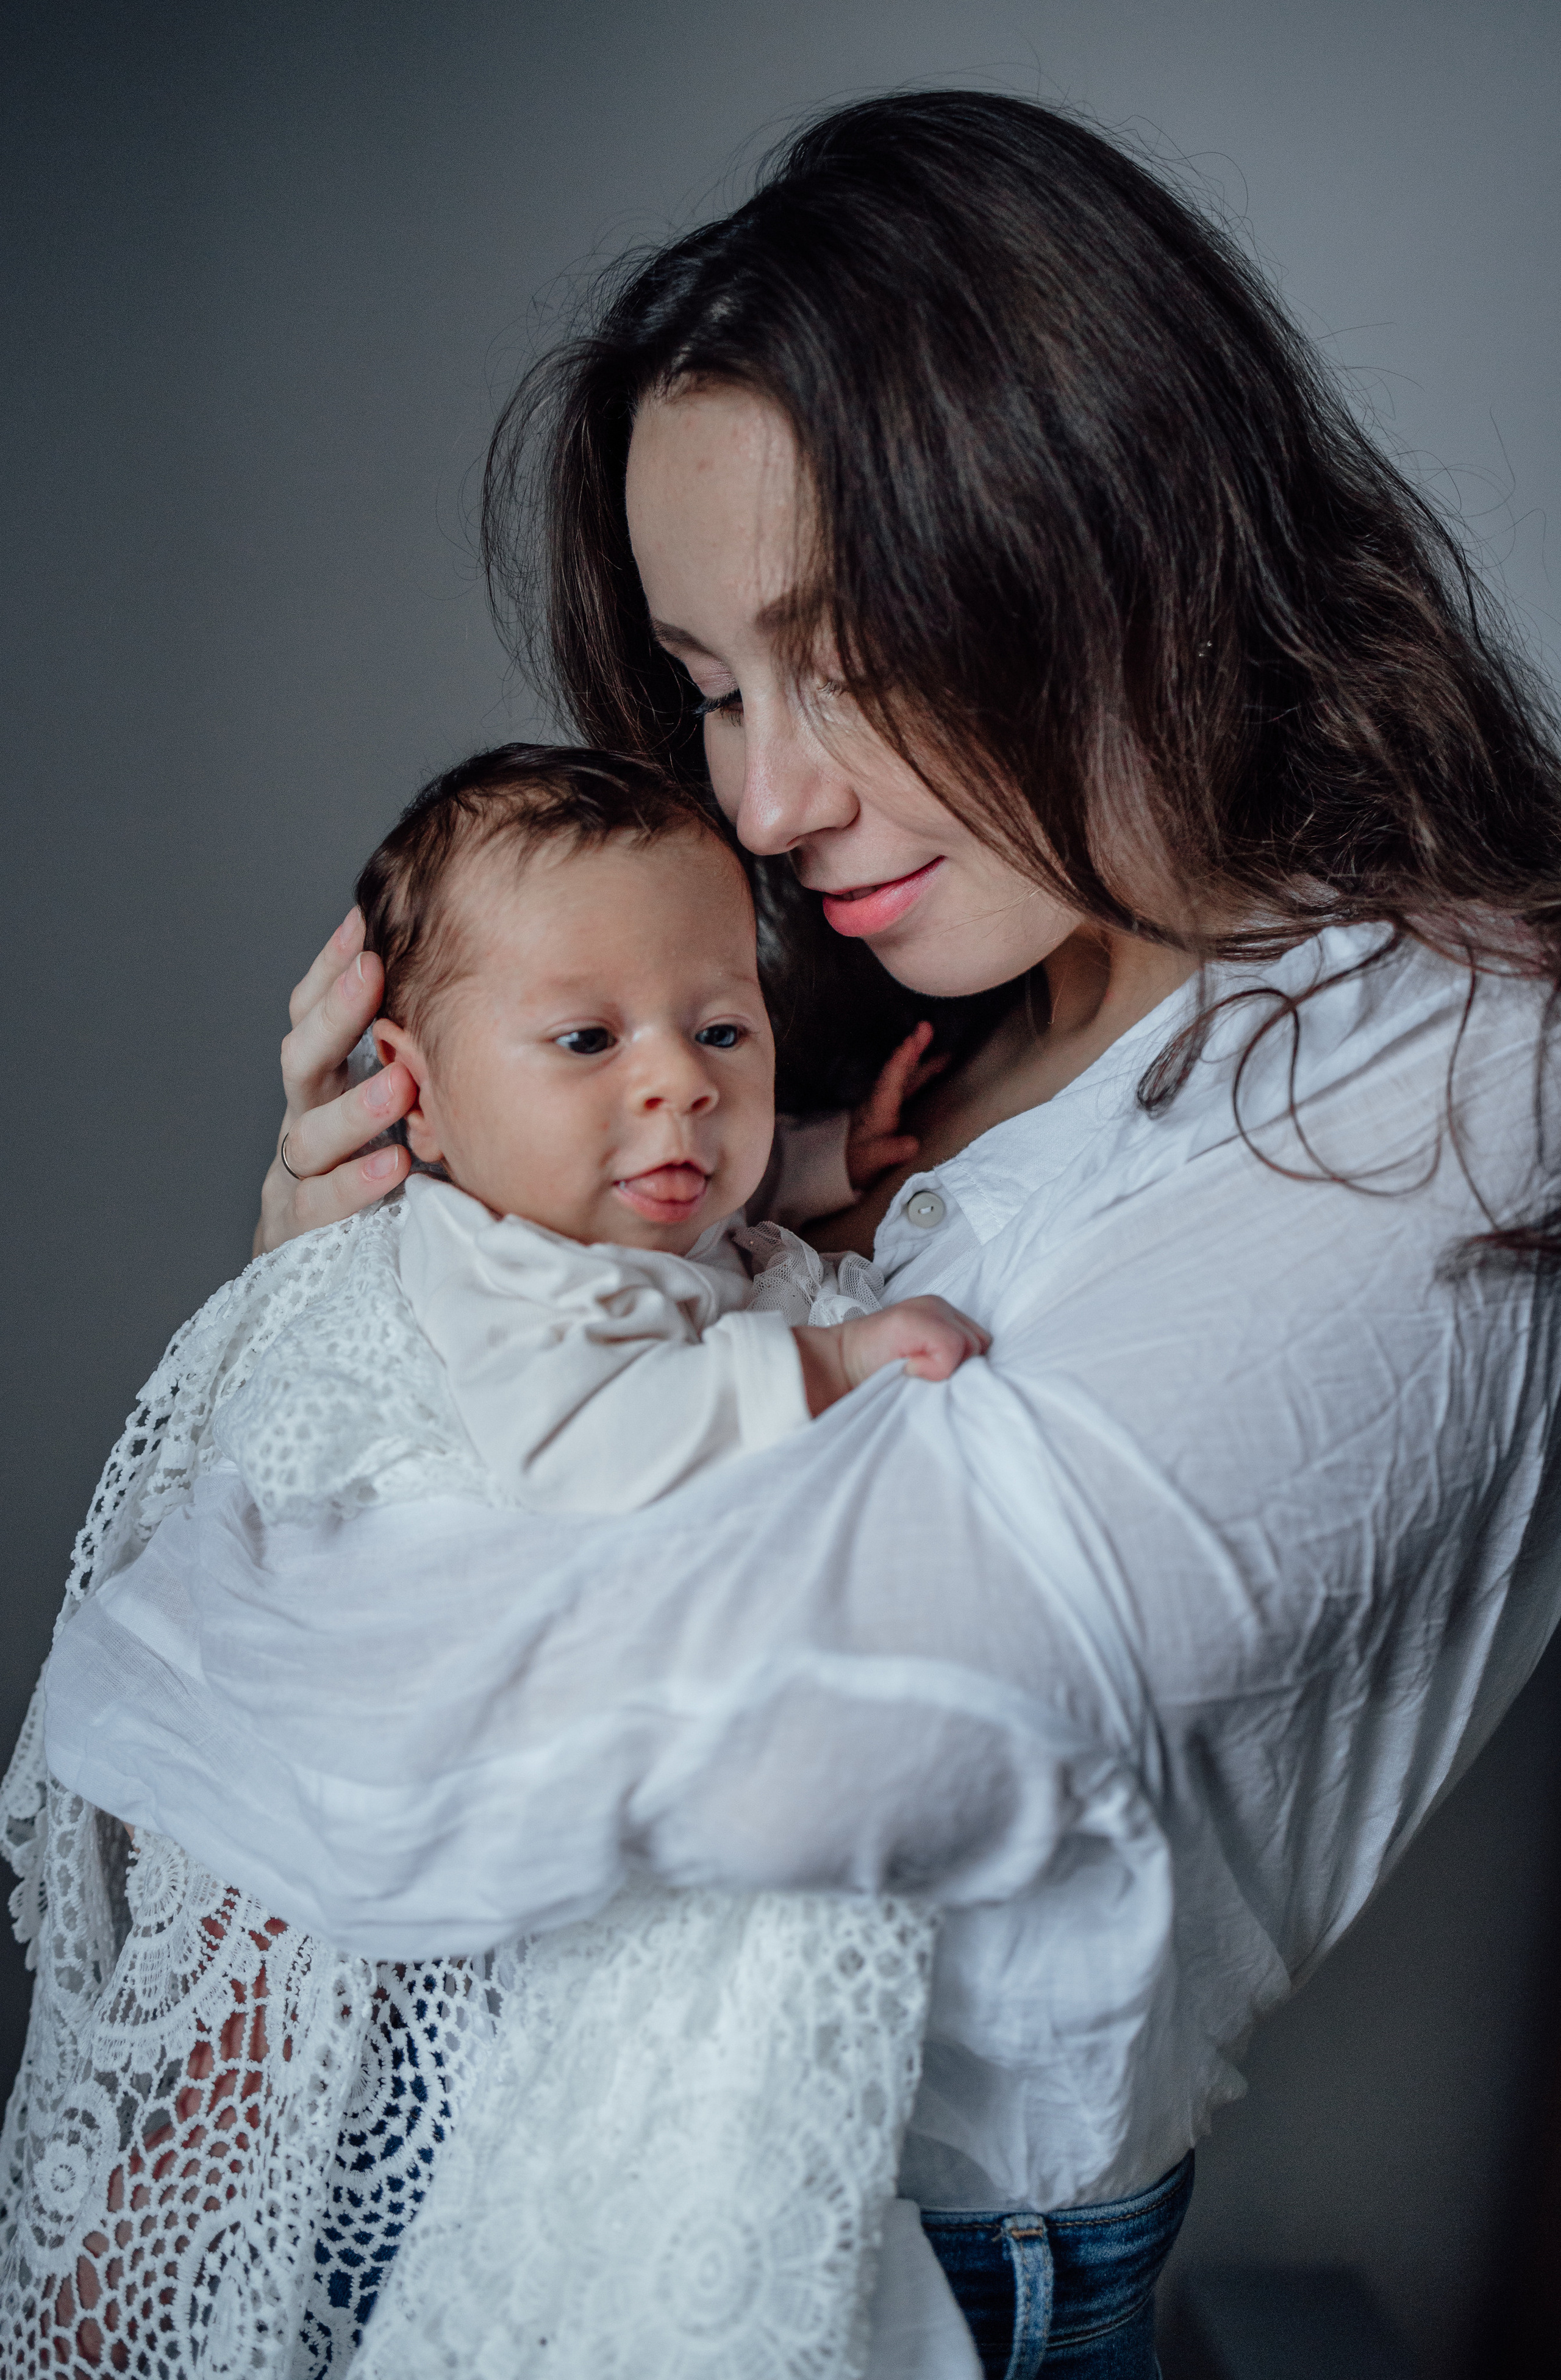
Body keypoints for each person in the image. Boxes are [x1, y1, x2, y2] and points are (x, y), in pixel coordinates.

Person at [15, 88, 1561, 2379]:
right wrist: (352, 1294)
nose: (759, 797)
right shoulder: (873, 1029)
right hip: (447, 2164)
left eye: (845, 655)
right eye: (714, 685)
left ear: (1115, 525)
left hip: (872, 2274)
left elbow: (826, 1730)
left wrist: (335, 1440)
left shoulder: (1453, 1068)